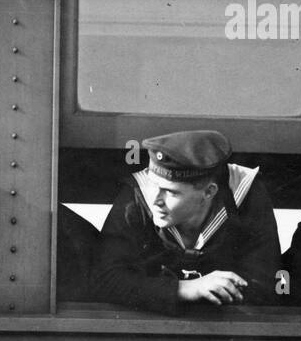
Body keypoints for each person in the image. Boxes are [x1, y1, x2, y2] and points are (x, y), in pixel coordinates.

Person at [91, 130, 281, 313]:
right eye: (153, 185)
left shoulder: (244, 194)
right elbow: (106, 278)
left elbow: (262, 287)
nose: (155, 199)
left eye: (171, 192)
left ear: (209, 192)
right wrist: (184, 289)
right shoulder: (137, 194)